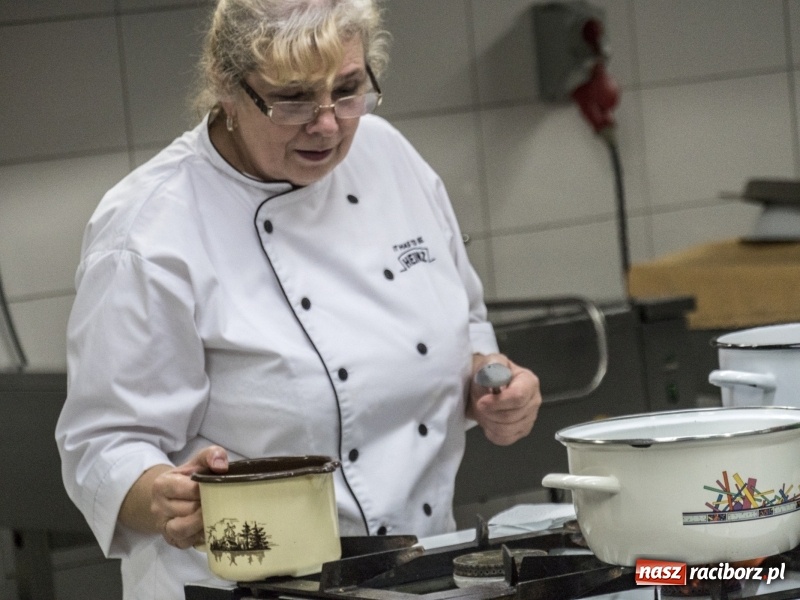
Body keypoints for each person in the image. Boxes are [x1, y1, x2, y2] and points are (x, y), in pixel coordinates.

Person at [55, 0, 542, 598]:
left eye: (348, 88)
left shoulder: (389, 157)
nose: (328, 123)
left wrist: (489, 383)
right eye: (292, 98)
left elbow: (462, 327)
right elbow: (102, 445)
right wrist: (162, 495)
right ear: (227, 91)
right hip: (241, 584)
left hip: (419, 573)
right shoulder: (148, 229)